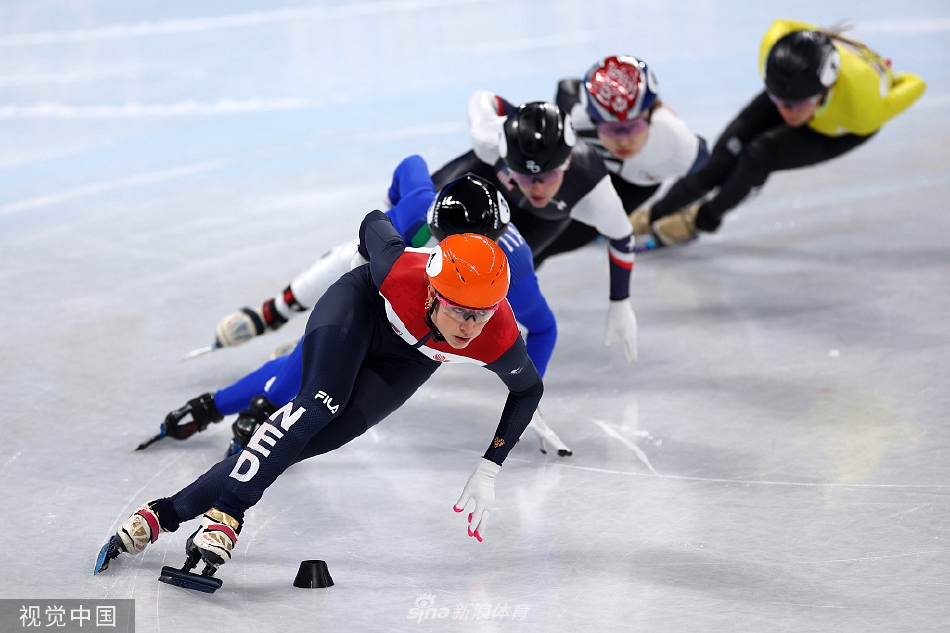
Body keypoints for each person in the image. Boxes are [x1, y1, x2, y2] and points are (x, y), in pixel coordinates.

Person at [96, 210, 544, 581]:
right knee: (319, 403)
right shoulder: (399, 269)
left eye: (481, 314)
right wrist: (360, 264)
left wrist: (490, 467)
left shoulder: (498, 335)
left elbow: (528, 390)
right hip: (361, 307)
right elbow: (374, 222)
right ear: (433, 292)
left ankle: (163, 513)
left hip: (407, 362)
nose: (470, 327)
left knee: (302, 443)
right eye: (460, 312)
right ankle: (227, 516)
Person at [159, 159, 571, 456]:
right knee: (315, 356)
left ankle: (216, 404)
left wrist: (527, 397)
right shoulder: (415, 214)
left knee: (324, 371)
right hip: (368, 266)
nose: (468, 263)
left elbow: (544, 328)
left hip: (410, 296)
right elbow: (410, 169)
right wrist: (269, 407)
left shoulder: (510, 265)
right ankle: (269, 329)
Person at [636, 18, 926, 247]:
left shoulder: (864, 108)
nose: (786, 113)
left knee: (760, 154)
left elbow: (916, 83)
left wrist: (890, 77)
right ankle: (655, 212)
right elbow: (783, 25)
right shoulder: (775, 48)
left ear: (825, 89)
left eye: (796, 105)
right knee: (721, 158)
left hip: (841, 124)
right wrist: (819, 40)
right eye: (778, 103)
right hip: (808, 85)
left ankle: (703, 219)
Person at [432, 96, 639, 362]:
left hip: (540, 220)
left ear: (566, 162)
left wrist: (620, 302)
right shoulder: (489, 140)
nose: (537, 188)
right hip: (486, 179)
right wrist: (513, 115)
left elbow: (622, 236)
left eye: (548, 175)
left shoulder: (593, 191)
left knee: (501, 279)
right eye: (526, 175)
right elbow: (483, 98)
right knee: (421, 204)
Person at [533, 54, 709, 263]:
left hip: (634, 186)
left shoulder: (681, 148)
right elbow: (566, 88)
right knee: (540, 233)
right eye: (612, 129)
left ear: (652, 113)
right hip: (594, 165)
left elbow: (711, 171)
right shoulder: (579, 118)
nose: (624, 142)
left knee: (565, 240)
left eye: (633, 127)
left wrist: (669, 211)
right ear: (594, 120)